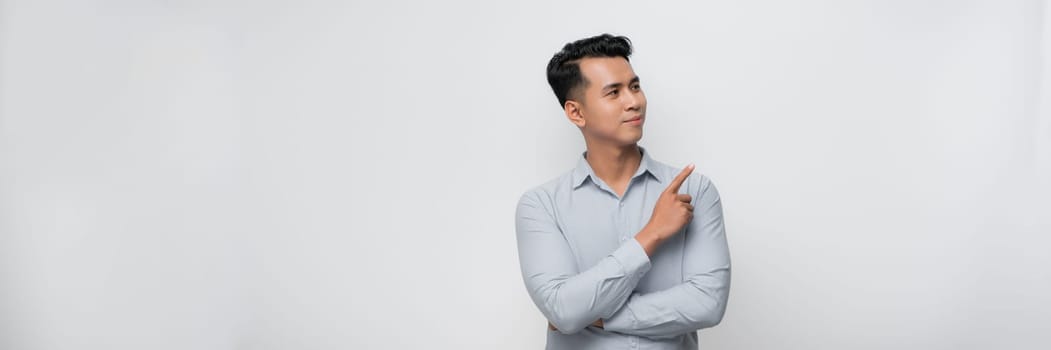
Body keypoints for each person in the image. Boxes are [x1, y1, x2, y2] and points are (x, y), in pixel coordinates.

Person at [514, 34, 732, 349]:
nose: (634, 101)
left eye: (634, 86)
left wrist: (597, 316)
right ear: (576, 112)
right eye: (613, 92)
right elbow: (563, 309)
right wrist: (651, 234)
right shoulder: (541, 205)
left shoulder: (695, 190)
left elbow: (708, 302)